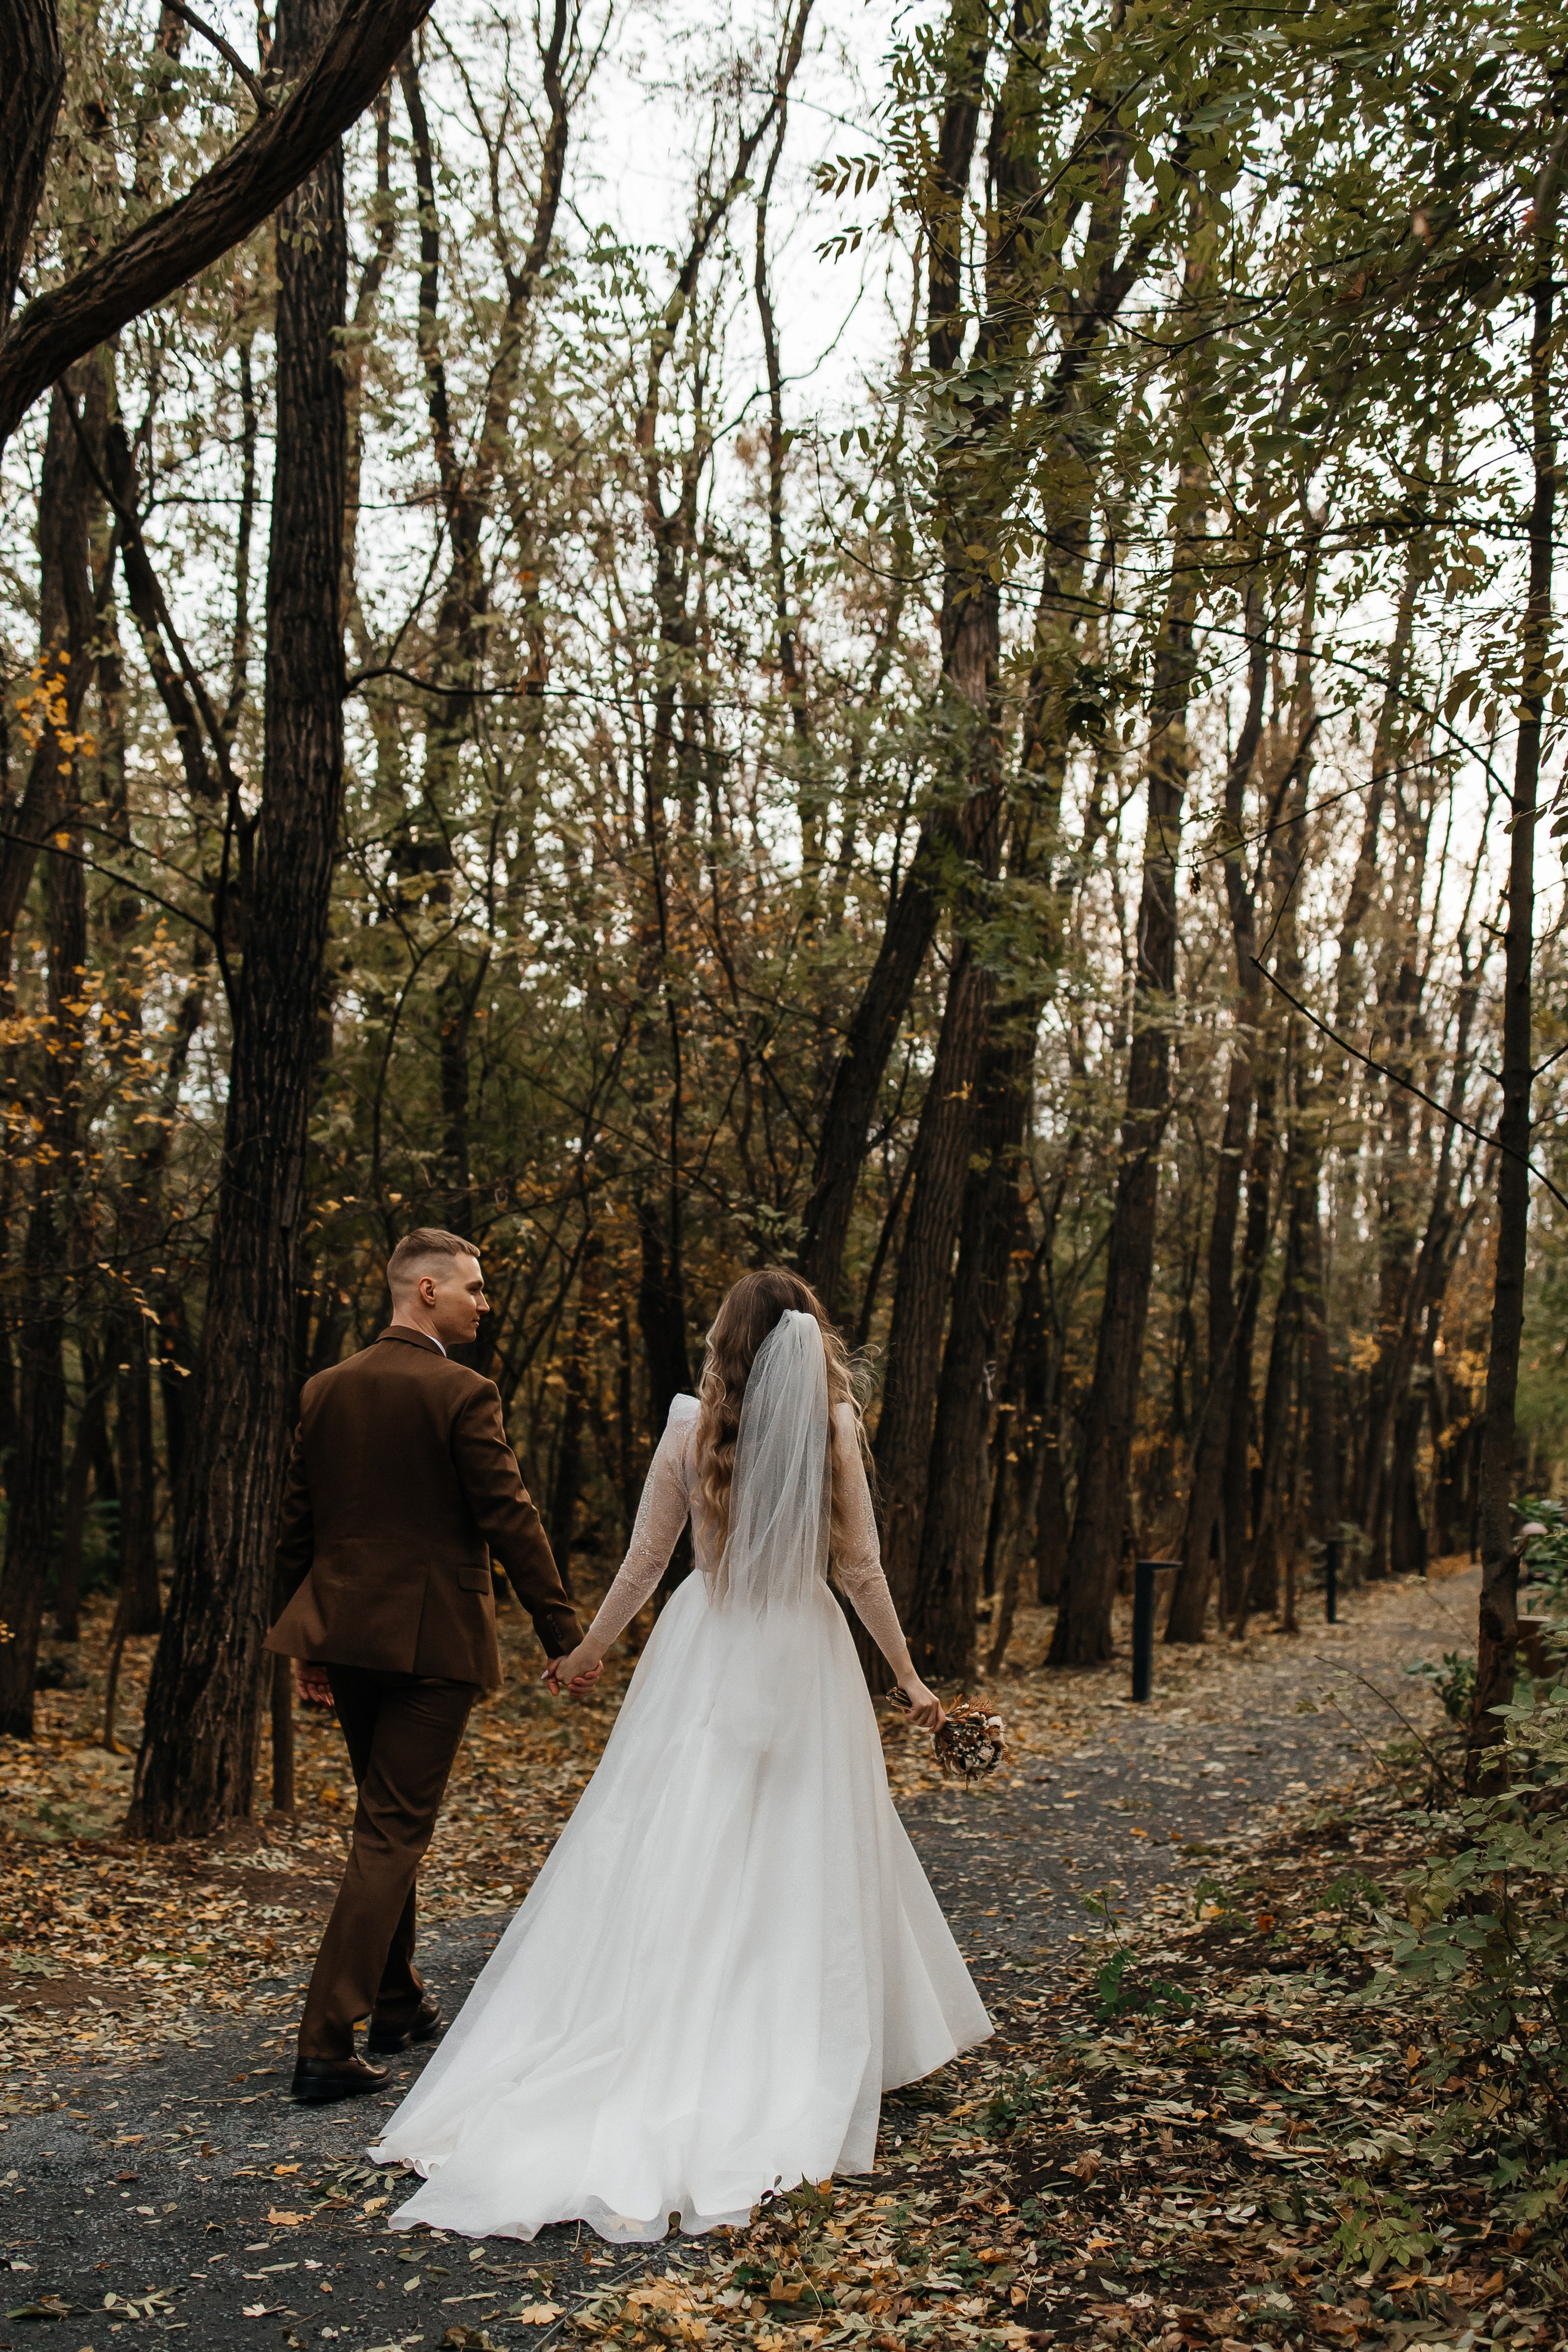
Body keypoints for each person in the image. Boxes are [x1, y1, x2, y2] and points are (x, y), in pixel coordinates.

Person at [371, 1267, 992, 2242]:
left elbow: (646, 1562)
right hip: (805, 1648)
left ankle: (656, 2024)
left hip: (705, 1644)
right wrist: (908, 1678)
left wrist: (590, 1651)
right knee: (806, 1843)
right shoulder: (833, 1429)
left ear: (729, 1342)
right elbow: (860, 1567)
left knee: (681, 1836)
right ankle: (800, 2039)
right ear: (809, 1340)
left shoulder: (688, 1426)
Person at [266, 1228, 591, 2106]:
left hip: (345, 1638)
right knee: (392, 1832)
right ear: (425, 1292)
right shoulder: (460, 1391)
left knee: (383, 1817)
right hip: (432, 1647)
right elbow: (510, 1516)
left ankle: (397, 2002)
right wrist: (562, 1630)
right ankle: (325, 2045)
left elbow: (297, 1526)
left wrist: (301, 1637)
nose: (485, 1303)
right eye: (474, 1289)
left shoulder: (325, 1389)